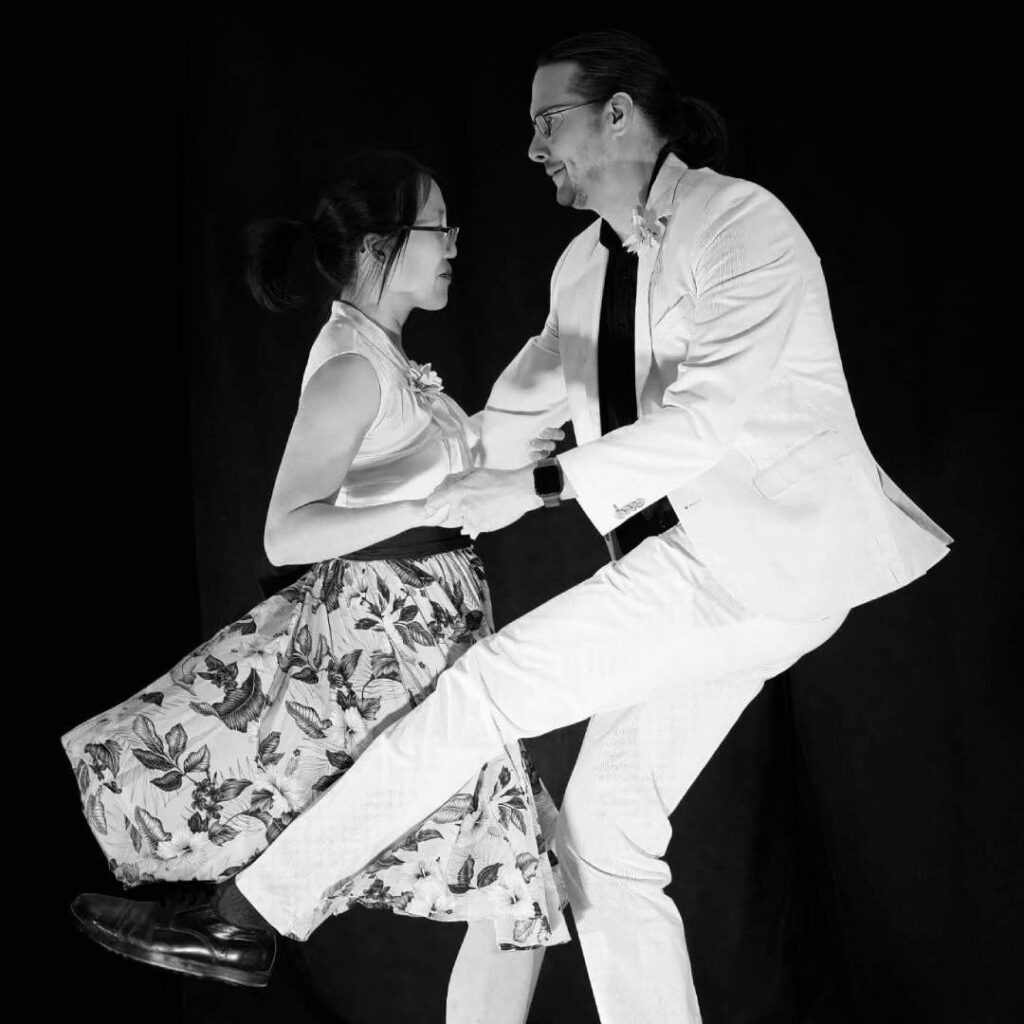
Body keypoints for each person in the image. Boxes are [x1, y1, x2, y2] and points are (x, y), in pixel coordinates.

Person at [71, 30, 954, 1024]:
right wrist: (418, 482)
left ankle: (243, 914)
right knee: (608, 838)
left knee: (477, 696)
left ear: (618, 114)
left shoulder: (742, 226)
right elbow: (505, 421)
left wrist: (536, 484)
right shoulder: (582, 267)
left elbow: (703, 423)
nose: (533, 149)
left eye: (549, 122)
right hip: (699, 574)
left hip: (751, 560)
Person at [63, 149, 567, 1024]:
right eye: (439, 227)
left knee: (520, 875)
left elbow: (415, 474)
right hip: (394, 637)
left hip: (433, 621)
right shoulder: (350, 368)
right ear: (380, 246)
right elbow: (287, 528)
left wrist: (497, 450)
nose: (455, 244)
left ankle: (235, 921)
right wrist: (444, 495)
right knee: (518, 872)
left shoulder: (383, 353)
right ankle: (231, 921)